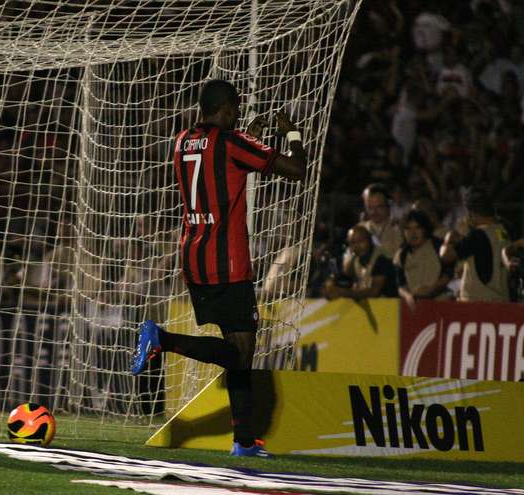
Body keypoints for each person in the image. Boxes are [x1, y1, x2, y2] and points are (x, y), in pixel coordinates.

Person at [130, 79, 306, 457]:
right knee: (240, 353)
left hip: (193, 258)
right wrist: (292, 132)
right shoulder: (231, 143)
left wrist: (248, 138)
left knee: (239, 349)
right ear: (226, 109)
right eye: (236, 109)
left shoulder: (181, 142)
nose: (239, 114)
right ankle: (162, 339)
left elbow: (225, 165)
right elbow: (296, 169)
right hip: (227, 265)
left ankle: (243, 441)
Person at [440, 189, 511, 302]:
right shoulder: (504, 231)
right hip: (501, 299)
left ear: (471, 214)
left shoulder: (478, 234)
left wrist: (448, 240)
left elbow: (446, 256)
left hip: (478, 302)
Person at [394, 210, 454, 309]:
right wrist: (408, 295)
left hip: (442, 304)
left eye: (417, 228)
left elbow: (449, 274)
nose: (413, 233)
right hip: (415, 307)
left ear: (425, 229)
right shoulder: (401, 254)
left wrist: (432, 289)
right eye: (408, 229)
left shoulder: (439, 246)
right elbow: (400, 284)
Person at [323, 224, 397, 300]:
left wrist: (344, 292)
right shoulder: (356, 260)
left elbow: (374, 292)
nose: (357, 246)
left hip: (391, 307)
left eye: (361, 241)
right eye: (353, 243)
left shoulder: (381, 259)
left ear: (370, 240)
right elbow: (343, 278)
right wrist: (331, 285)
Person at [358, 184, 403, 259]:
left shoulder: (399, 227)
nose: (373, 212)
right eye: (369, 208)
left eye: (379, 207)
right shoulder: (360, 229)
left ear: (388, 204)